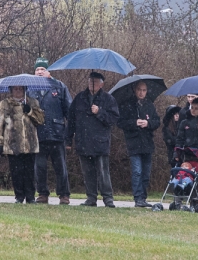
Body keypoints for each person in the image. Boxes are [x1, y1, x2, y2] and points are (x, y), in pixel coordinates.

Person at [66, 72, 120, 208]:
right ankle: (91, 197)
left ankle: (108, 198)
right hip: (83, 141)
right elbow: (71, 120)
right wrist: (68, 140)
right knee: (87, 172)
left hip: (100, 142)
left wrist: (100, 112)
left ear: (101, 84)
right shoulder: (79, 98)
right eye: (90, 81)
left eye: (95, 82)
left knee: (103, 172)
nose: (92, 84)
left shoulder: (108, 99)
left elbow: (113, 119)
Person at [29, 57, 72, 205]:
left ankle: (64, 195)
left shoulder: (59, 87)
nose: (40, 72)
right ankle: (42, 193)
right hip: (38, 134)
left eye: (42, 69)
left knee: (60, 166)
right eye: (37, 69)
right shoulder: (29, 89)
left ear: (48, 71)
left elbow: (69, 112)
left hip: (57, 133)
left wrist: (69, 135)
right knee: (39, 167)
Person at [0, 85, 45, 203]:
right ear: (11, 90)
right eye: (15, 89)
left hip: (30, 144)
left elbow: (41, 120)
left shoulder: (33, 102)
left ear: (24, 90)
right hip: (12, 144)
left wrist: (30, 111)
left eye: (20, 89)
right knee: (16, 172)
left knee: (29, 172)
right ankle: (19, 196)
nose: (18, 91)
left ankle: (30, 197)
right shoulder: (5, 104)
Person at [117, 81, 161, 207]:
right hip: (134, 142)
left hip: (147, 143)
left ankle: (143, 197)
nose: (141, 93)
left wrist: (148, 124)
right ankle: (138, 198)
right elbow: (120, 123)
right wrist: (134, 123)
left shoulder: (150, 105)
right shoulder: (127, 105)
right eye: (139, 90)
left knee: (146, 173)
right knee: (137, 171)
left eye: (144, 90)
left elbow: (157, 121)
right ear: (134, 90)